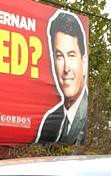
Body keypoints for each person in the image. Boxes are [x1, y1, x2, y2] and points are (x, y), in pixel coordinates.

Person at [36, 11, 89, 145]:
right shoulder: (49, 121)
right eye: (59, 56)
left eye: (71, 55)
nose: (66, 68)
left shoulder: (92, 117)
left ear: (84, 61)